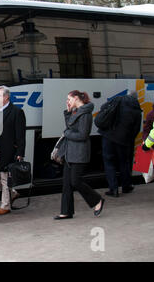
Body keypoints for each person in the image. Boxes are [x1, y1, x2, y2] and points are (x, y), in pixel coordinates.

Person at [54, 90, 105, 220]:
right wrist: (68, 112)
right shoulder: (76, 111)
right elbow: (70, 126)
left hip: (79, 152)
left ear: (76, 98)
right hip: (70, 152)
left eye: (69, 99)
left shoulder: (86, 114)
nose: (67, 101)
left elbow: (82, 135)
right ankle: (66, 211)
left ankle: (97, 200)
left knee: (75, 181)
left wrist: (67, 134)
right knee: (66, 183)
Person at [0, 85, 26, 215]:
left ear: (6, 97)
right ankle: (12, 193)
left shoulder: (16, 112)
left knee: (4, 177)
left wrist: (20, 153)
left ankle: (5, 205)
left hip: (7, 150)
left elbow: (21, 135)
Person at [98, 92, 142, 197]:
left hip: (108, 136)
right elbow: (136, 129)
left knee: (109, 162)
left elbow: (103, 108)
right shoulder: (137, 110)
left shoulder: (117, 100)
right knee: (124, 162)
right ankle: (126, 186)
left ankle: (113, 189)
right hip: (123, 140)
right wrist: (129, 139)